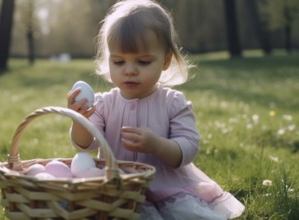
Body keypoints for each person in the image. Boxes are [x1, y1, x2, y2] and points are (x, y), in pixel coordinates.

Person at [67, 0, 245, 219]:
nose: (130, 71)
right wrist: (79, 120)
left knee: (181, 213)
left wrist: (158, 145)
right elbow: (86, 143)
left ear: (165, 61)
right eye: (119, 62)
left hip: (166, 188)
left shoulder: (173, 102)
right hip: (117, 187)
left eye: (142, 62)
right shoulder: (104, 104)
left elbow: (188, 146)